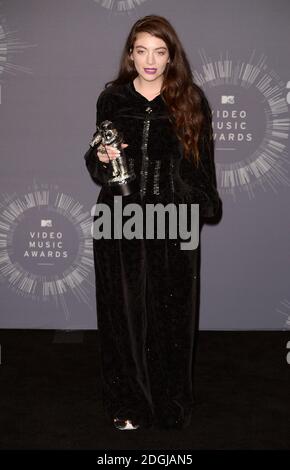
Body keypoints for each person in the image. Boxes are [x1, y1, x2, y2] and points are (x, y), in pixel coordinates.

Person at [84, 14, 221, 431]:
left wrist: (190, 199)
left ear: (171, 56)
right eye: (141, 50)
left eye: (159, 51)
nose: (150, 60)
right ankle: (127, 403)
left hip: (172, 220)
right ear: (130, 54)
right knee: (120, 315)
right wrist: (102, 160)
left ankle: (170, 403)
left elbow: (204, 171)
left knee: (172, 316)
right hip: (118, 219)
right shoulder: (112, 100)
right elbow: (95, 162)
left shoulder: (191, 100)